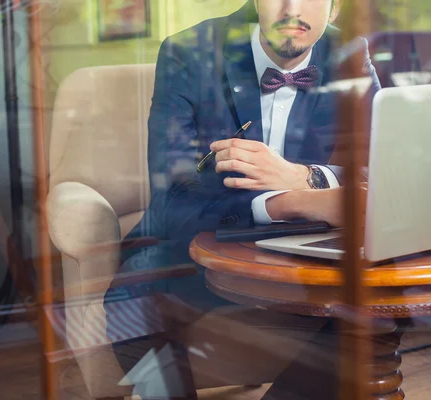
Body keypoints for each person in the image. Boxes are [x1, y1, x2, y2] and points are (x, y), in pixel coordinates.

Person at [103, 0, 380, 398]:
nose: (292, 8)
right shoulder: (189, 52)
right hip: (199, 239)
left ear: (335, 9)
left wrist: (305, 177)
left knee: (377, 300)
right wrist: (290, 201)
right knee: (133, 293)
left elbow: (384, 167)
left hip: (302, 251)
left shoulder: (350, 53)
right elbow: (174, 190)